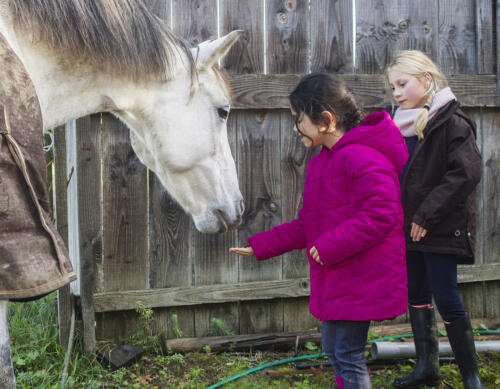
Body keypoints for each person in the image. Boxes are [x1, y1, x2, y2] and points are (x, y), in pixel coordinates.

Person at [230, 73, 408, 389]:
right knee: (334, 350)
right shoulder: (323, 162)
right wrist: (261, 246)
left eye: (299, 120)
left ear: (325, 121)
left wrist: (329, 246)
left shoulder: (364, 157)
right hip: (337, 278)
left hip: (361, 278)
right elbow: (307, 224)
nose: (296, 128)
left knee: (348, 354)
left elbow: (382, 215)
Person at [385, 50, 483, 389]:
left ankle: (471, 376)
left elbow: (466, 173)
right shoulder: (396, 125)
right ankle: (427, 367)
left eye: (402, 83)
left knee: (446, 296)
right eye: (392, 86)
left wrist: (426, 215)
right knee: (416, 292)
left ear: (426, 81)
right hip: (407, 227)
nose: (396, 92)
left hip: (439, 226)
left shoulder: (451, 123)